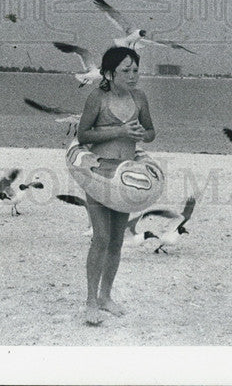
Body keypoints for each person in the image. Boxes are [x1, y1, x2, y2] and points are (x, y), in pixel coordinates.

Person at [75, 45, 156, 325]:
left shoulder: (140, 97)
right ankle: (90, 302)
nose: (133, 75)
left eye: (135, 70)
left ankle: (105, 297)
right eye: (126, 70)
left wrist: (140, 134)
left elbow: (151, 132)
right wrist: (120, 130)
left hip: (127, 175)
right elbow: (83, 133)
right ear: (109, 73)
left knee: (117, 241)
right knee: (100, 237)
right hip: (99, 173)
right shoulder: (97, 97)